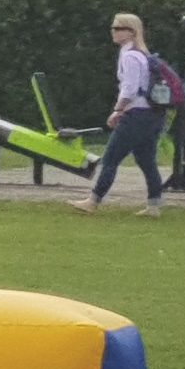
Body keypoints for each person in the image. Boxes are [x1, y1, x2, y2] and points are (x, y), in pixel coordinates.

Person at [74, 13, 168, 217]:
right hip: (153, 115)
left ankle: (93, 200)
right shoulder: (142, 54)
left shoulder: (129, 56)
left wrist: (117, 110)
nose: (113, 32)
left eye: (118, 28)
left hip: (137, 115)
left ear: (130, 32)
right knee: (146, 160)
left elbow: (130, 89)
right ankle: (154, 205)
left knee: (110, 159)